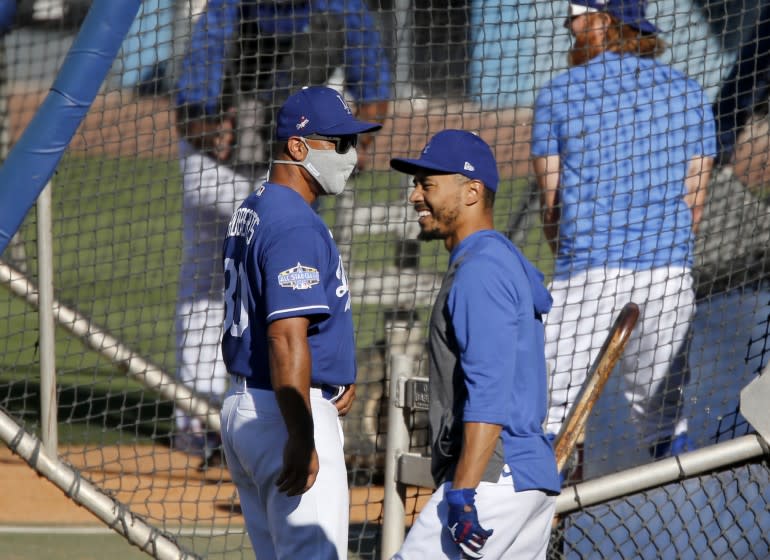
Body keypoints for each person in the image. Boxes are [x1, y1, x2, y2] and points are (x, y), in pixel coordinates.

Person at [173, 0, 391, 466]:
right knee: (215, 277)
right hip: (220, 164)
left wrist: (358, 145)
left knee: (279, 275)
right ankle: (203, 412)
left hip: (291, 157)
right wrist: (213, 134)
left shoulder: (342, 9)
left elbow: (375, 90)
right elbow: (188, 113)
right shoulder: (226, 13)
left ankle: (253, 403)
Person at [531, 0, 716, 467]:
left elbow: (551, 207)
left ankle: (546, 528)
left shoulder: (558, 93)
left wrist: (581, 254)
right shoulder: (689, 92)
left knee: (548, 416)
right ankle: (693, 527)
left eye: (575, 16)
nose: (568, 27)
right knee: (664, 427)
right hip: (669, 278)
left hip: (585, 278)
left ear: (602, 21)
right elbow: (694, 206)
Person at [219, 85, 379, 559]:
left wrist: (332, 374)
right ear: (298, 146)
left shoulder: (256, 206)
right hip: (285, 412)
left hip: (251, 408)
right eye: (342, 144)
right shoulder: (293, 223)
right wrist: (303, 433)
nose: (353, 156)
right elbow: (286, 339)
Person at [389, 130, 561, 560]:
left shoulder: (481, 271)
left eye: (427, 184)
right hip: (524, 478)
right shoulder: (496, 260)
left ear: (472, 192)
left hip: (493, 479)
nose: (415, 196)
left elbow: (489, 391)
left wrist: (463, 495)